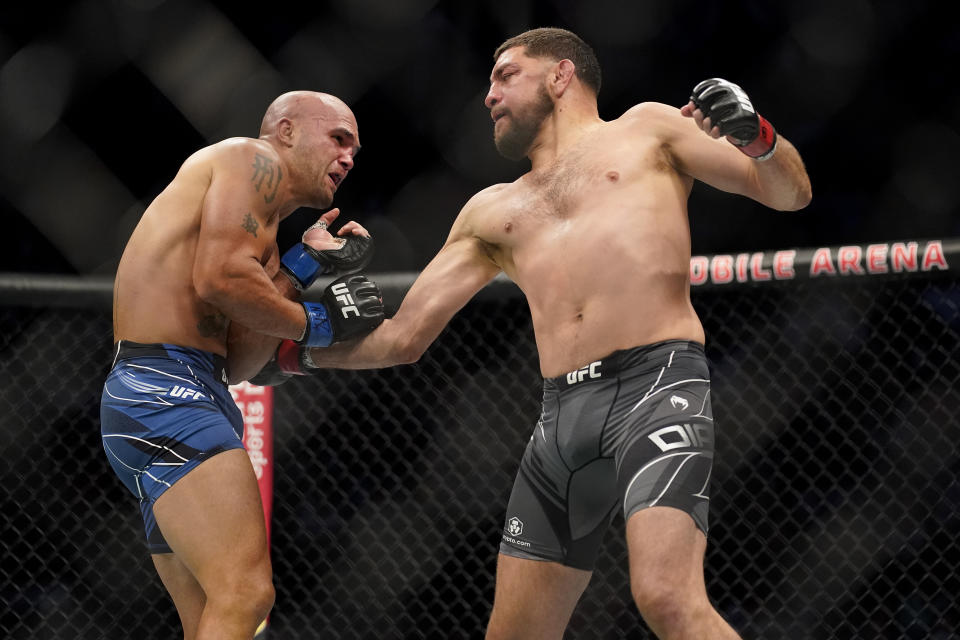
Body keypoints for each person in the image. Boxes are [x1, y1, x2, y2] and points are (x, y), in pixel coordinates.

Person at [275, 28, 811, 638]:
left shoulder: (647, 130)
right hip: (562, 419)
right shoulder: (490, 210)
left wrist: (757, 137)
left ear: (561, 76)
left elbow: (789, 193)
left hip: (656, 388)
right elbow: (403, 337)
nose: (487, 96)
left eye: (505, 75)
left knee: (666, 598)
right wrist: (294, 356)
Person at [99, 91, 384, 640]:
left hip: (189, 390)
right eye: (338, 138)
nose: (349, 157)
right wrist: (319, 323)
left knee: (211, 610)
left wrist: (307, 264)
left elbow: (241, 360)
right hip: (164, 388)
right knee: (247, 593)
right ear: (286, 131)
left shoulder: (268, 237)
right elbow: (220, 279)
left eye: (355, 147)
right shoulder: (247, 161)